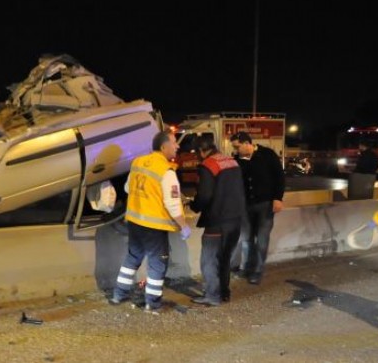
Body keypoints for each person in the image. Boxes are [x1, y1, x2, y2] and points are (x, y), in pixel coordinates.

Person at [109, 130, 191, 314]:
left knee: (132, 258)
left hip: (135, 222)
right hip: (154, 227)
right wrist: (183, 225)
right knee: (157, 264)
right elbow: (173, 203)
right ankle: (152, 305)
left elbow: (127, 187)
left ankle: (118, 295)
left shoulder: (138, 162)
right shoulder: (166, 171)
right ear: (164, 147)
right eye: (174, 143)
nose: (177, 146)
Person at [188, 135, 245, 306]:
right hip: (235, 219)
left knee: (209, 259)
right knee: (225, 258)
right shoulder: (232, 161)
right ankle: (224, 293)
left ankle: (212, 296)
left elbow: (205, 195)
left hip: (217, 220)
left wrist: (194, 205)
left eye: (196, 152)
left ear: (201, 150)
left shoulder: (208, 165)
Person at [229, 131, 285, 285]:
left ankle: (257, 271)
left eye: (237, 147)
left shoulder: (267, 155)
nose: (236, 150)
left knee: (261, 239)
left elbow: (279, 177)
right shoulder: (237, 160)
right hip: (246, 206)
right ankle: (246, 267)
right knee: (246, 239)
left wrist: (278, 198)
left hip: (265, 205)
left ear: (247, 143)